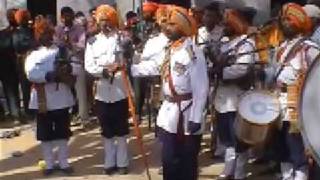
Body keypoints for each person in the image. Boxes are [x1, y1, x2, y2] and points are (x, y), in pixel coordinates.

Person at [131, 6, 209, 180]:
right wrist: (130, 66)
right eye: (165, 24)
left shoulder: (193, 52)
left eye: (172, 24)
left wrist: (196, 117)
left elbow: (201, 88)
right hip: (168, 113)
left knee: (186, 165)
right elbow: (152, 67)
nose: (167, 28)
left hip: (187, 114)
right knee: (168, 162)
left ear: (182, 26)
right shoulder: (169, 49)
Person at [25, 15, 80, 176]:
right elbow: (31, 73)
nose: (46, 37)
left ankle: (63, 162)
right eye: (42, 34)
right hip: (42, 101)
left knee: (62, 133)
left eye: (48, 33)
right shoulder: (33, 55)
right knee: (45, 135)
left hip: (61, 99)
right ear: (37, 35)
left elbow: (77, 68)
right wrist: (50, 75)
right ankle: (49, 164)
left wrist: (67, 71)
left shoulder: (62, 50)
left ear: (52, 34)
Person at [85, 4, 131, 175]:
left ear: (113, 20)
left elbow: (128, 60)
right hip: (102, 90)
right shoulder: (92, 41)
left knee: (122, 129)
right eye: (101, 20)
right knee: (107, 130)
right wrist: (104, 71)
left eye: (108, 20)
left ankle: (123, 163)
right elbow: (89, 65)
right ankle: (109, 163)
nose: (105, 24)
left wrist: (122, 60)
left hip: (120, 88)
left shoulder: (121, 38)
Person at [275, 3, 319, 180]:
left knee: (299, 155)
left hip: (299, 111)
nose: (285, 23)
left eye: (289, 20)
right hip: (280, 107)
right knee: (283, 151)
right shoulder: (283, 47)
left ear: (298, 24)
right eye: (283, 20)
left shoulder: (309, 49)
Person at [213, 8, 256, 180]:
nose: (224, 24)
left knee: (239, 139)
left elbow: (242, 69)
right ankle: (228, 169)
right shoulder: (223, 42)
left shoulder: (246, 43)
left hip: (237, 98)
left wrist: (220, 73)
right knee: (226, 138)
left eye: (228, 21)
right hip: (222, 99)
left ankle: (239, 173)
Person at [54, 6, 88, 126]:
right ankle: (66, 118)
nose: (67, 18)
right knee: (64, 91)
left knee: (81, 92)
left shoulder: (79, 29)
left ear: (73, 16)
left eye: (70, 16)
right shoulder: (57, 29)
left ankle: (84, 118)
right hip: (63, 63)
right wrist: (61, 43)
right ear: (61, 17)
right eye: (65, 16)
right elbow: (55, 44)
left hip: (76, 62)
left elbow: (82, 46)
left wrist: (70, 44)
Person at [12, 9, 34, 117]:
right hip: (22, 61)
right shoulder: (17, 32)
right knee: (25, 87)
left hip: (32, 59)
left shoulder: (30, 30)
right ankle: (28, 111)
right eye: (26, 18)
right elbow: (17, 46)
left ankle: (35, 108)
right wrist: (31, 45)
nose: (28, 20)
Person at [0, 8, 20, 123]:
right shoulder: (6, 33)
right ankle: (14, 114)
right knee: (11, 91)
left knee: (11, 91)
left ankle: (14, 113)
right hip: (7, 65)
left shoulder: (10, 32)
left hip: (10, 65)